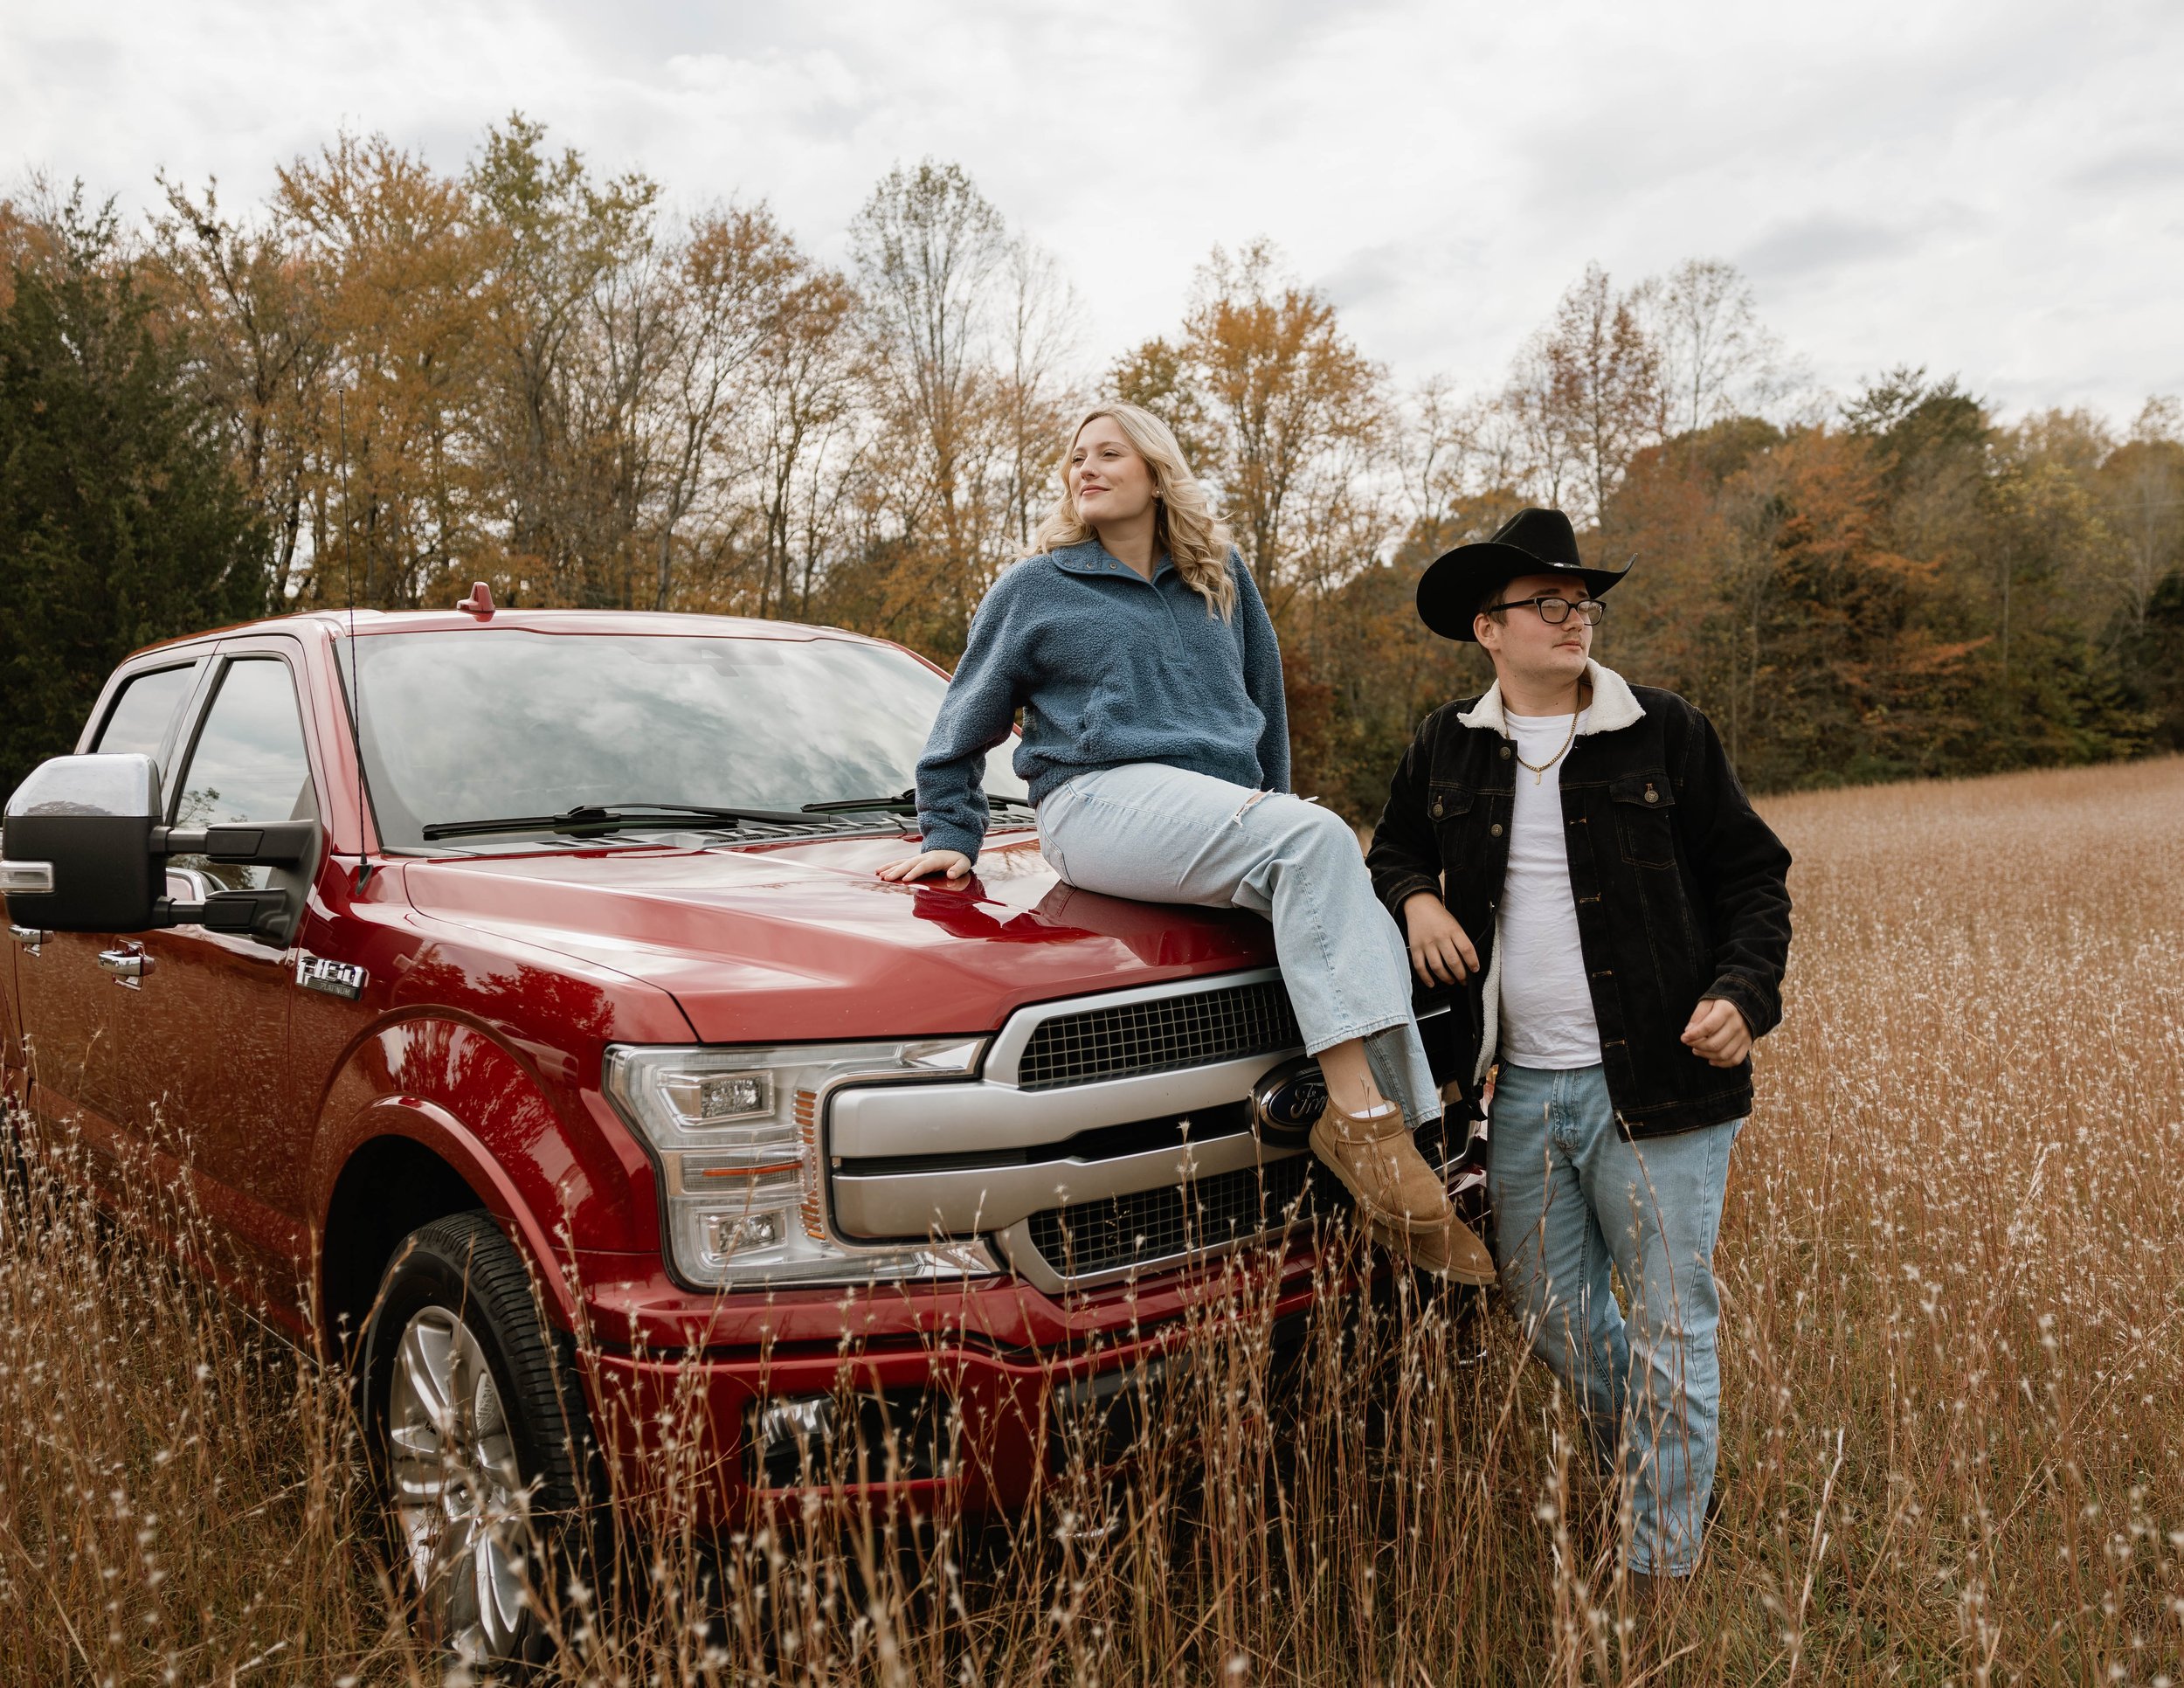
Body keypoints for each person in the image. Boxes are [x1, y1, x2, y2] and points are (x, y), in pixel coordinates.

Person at [880, 402, 1494, 1283]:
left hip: (1213, 809)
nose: (1082, 469)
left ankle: (1413, 1150)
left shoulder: (1219, 577)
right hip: (1093, 802)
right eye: (1075, 458)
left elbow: (1264, 713)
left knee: (1326, 863)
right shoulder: (1037, 586)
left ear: (1156, 471)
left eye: (1106, 454)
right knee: (1316, 838)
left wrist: (1275, 827)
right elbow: (959, 725)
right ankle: (1369, 1132)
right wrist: (951, 830)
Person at [1365, 507, 1793, 1588]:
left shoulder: (1666, 731)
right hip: (1516, 1091)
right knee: (1551, 1318)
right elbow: (1392, 851)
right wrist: (1415, 899)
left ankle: (1659, 1566)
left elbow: (1754, 879)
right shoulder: (1446, 744)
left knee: (1669, 1325)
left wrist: (1745, 991)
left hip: (1659, 1087)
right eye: (1545, 604)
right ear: (1487, 628)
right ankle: (1661, 1465)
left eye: (1582, 602)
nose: (1573, 619)